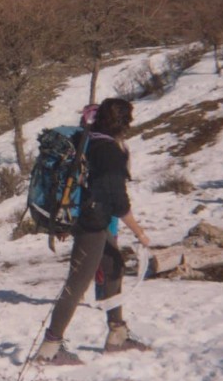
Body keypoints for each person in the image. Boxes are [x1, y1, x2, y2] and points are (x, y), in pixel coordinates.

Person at [35, 98, 152, 365]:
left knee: (113, 266)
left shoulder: (86, 139)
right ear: (124, 122)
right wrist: (140, 233)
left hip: (86, 217)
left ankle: (117, 333)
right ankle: (50, 348)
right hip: (92, 222)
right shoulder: (109, 151)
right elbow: (118, 201)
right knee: (77, 283)